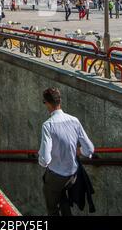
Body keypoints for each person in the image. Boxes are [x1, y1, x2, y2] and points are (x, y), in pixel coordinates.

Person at [38, 88, 94, 216]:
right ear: (60, 101)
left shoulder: (48, 125)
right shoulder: (74, 120)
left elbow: (45, 160)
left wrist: (42, 158)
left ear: (47, 103)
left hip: (57, 175)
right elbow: (89, 149)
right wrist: (79, 151)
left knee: (52, 207)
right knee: (62, 196)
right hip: (72, 175)